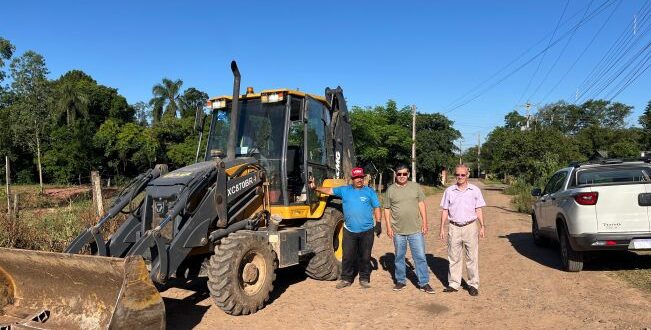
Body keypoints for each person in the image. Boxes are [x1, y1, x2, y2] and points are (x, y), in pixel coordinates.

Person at [309, 167, 382, 289]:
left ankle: (364, 278)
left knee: (365, 256)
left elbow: (377, 207)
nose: (359, 180)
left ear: (363, 178)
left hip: (367, 230)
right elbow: (329, 190)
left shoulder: (369, 192)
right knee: (347, 256)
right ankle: (346, 279)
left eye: (361, 177)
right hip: (349, 230)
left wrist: (378, 223)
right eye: (356, 178)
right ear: (352, 179)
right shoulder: (344, 190)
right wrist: (316, 187)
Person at [383, 164, 433, 294]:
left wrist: (425, 223)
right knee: (399, 257)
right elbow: (387, 209)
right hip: (398, 231)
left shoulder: (415, 187)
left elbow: (421, 204)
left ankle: (424, 283)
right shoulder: (390, 190)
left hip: (415, 229)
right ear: (396, 175)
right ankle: (400, 281)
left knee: (420, 257)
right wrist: (388, 227)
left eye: (404, 174)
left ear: (408, 174)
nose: (401, 176)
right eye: (399, 174)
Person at [439, 164, 486, 296]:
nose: (460, 177)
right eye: (458, 175)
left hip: (470, 227)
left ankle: (472, 284)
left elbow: (478, 209)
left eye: (462, 175)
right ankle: (454, 283)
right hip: (454, 227)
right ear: (455, 175)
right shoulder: (449, 191)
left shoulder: (475, 190)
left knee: (472, 257)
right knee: (453, 257)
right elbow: (445, 210)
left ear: (467, 175)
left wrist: (482, 226)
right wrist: (442, 227)